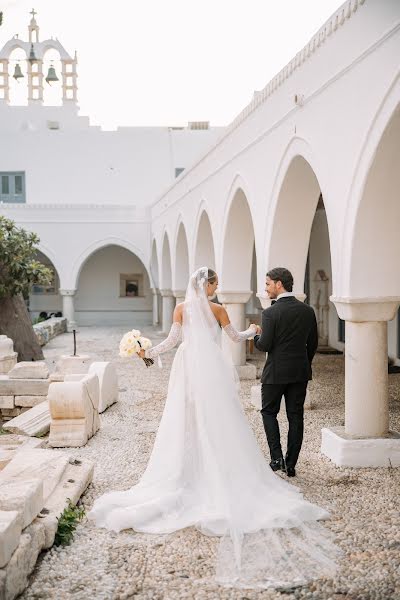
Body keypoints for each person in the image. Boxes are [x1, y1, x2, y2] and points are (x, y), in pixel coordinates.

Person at [89, 267, 338, 589]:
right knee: (218, 415)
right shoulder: (219, 309)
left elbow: (172, 341)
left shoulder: (181, 308)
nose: (217, 288)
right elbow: (235, 338)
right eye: (216, 283)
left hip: (187, 366)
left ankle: (187, 465)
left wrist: (146, 352)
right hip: (211, 368)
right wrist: (252, 331)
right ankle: (229, 464)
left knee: (185, 415)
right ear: (207, 285)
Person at [254, 267, 318, 477]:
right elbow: (313, 343)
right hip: (299, 372)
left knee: (269, 412)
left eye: (267, 284)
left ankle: (276, 458)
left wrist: (255, 337)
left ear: (279, 284)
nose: (266, 289)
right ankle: (290, 464)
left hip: (275, 373)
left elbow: (265, 345)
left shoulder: (270, 313)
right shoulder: (308, 311)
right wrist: (303, 363)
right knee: (295, 416)